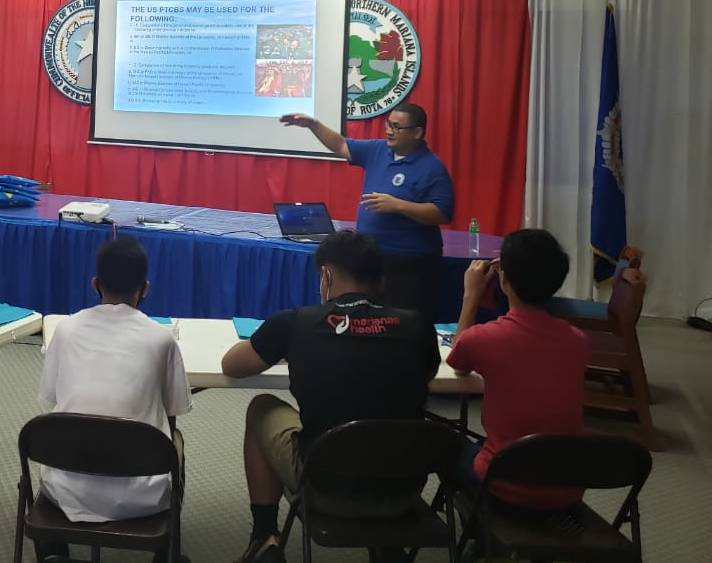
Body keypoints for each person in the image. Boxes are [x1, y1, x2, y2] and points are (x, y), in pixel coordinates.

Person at [220, 231, 440, 563]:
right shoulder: (419, 326)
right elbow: (423, 376)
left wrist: (288, 349)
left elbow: (232, 365)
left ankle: (265, 536)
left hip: (324, 485)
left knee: (261, 407)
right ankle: (388, 548)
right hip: (404, 490)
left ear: (326, 274)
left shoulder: (295, 323)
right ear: (381, 282)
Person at [37, 236, 193, 562]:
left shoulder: (64, 331)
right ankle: (166, 555)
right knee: (173, 439)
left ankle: (53, 550)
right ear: (145, 288)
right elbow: (175, 408)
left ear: (95, 283)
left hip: (65, 489)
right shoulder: (161, 339)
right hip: (143, 494)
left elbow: (52, 399)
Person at [447, 228, 589, 511]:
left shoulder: (484, 339)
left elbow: (458, 363)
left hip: (503, 483)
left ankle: (478, 527)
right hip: (567, 487)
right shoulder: (578, 341)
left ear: (504, 279)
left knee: (448, 445)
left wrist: (471, 295)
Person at [280, 103, 454, 321]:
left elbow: (442, 213)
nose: (389, 131)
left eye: (397, 127)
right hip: (372, 261)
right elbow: (341, 144)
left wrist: (398, 205)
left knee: (405, 325)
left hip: (410, 266)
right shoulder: (379, 150)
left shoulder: (432, 167)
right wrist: (313, 125)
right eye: (388, 124)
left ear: (417, 132)